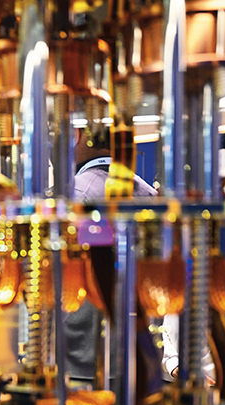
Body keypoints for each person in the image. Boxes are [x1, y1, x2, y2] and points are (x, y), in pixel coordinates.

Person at [65, 127, 157, 384]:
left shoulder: (75, 196)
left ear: (78, 133)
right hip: (141, 355)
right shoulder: (150, 195)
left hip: (82, 365)